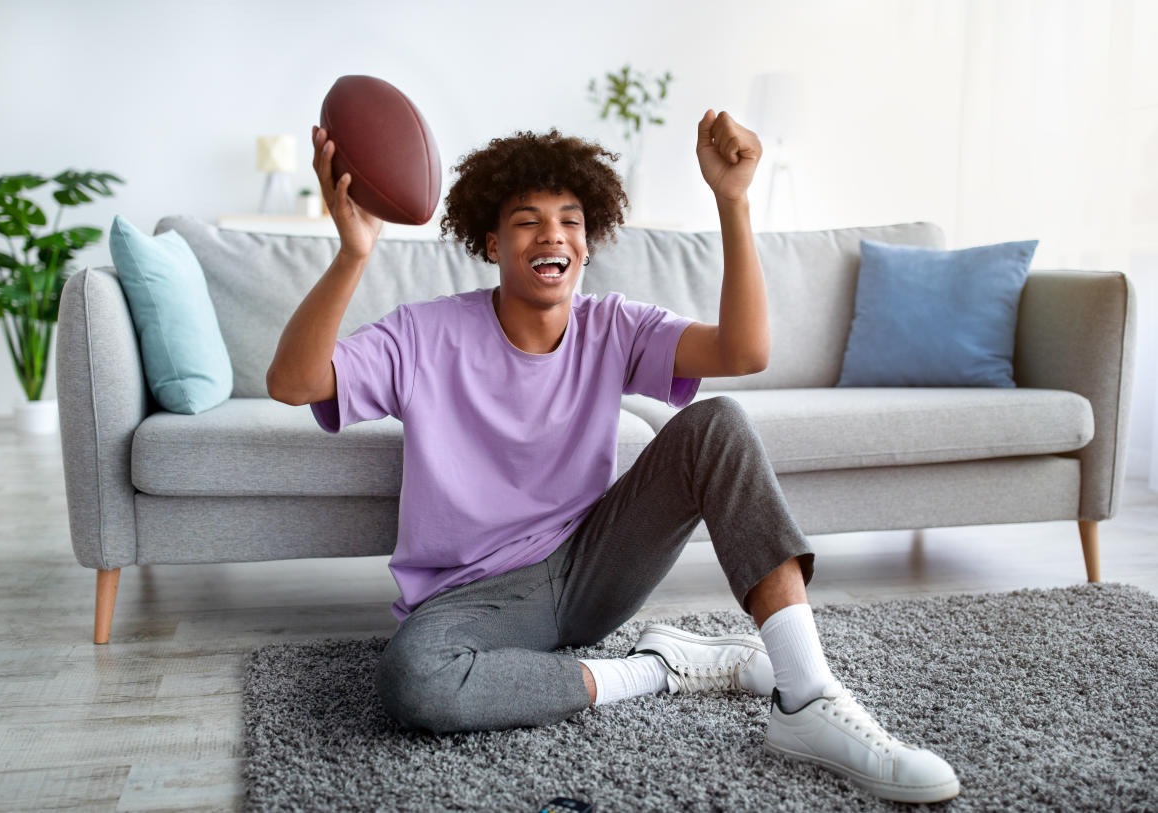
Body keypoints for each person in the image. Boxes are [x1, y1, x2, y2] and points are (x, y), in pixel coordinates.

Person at [267, 110, 960, 805]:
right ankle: (658, 668)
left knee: (717, 423)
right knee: (411, 678)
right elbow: (293, 382)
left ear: (588, 243)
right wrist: (354, 253)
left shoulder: (613, 325)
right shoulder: (423, 333)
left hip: (590, 570)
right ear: (490, 241)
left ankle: (807, 696)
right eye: (527, 220)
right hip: (472, 599)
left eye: (570, 220)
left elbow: (744, 353)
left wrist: (733, 200)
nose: (552, 234)